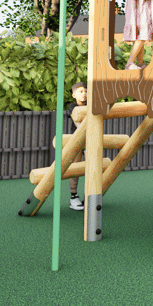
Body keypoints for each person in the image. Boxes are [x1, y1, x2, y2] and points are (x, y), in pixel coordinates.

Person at [61, 82, 88, 211]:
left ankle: (89, 195)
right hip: (77, 138)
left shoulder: (90, 105)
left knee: (91, 166)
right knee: (76, 167)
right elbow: (77, 122)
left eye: (86, 91)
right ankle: (73, 197)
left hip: (89, 139)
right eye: (81, 91)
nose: (84, 94)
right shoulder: (72, 106)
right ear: (74, 95)